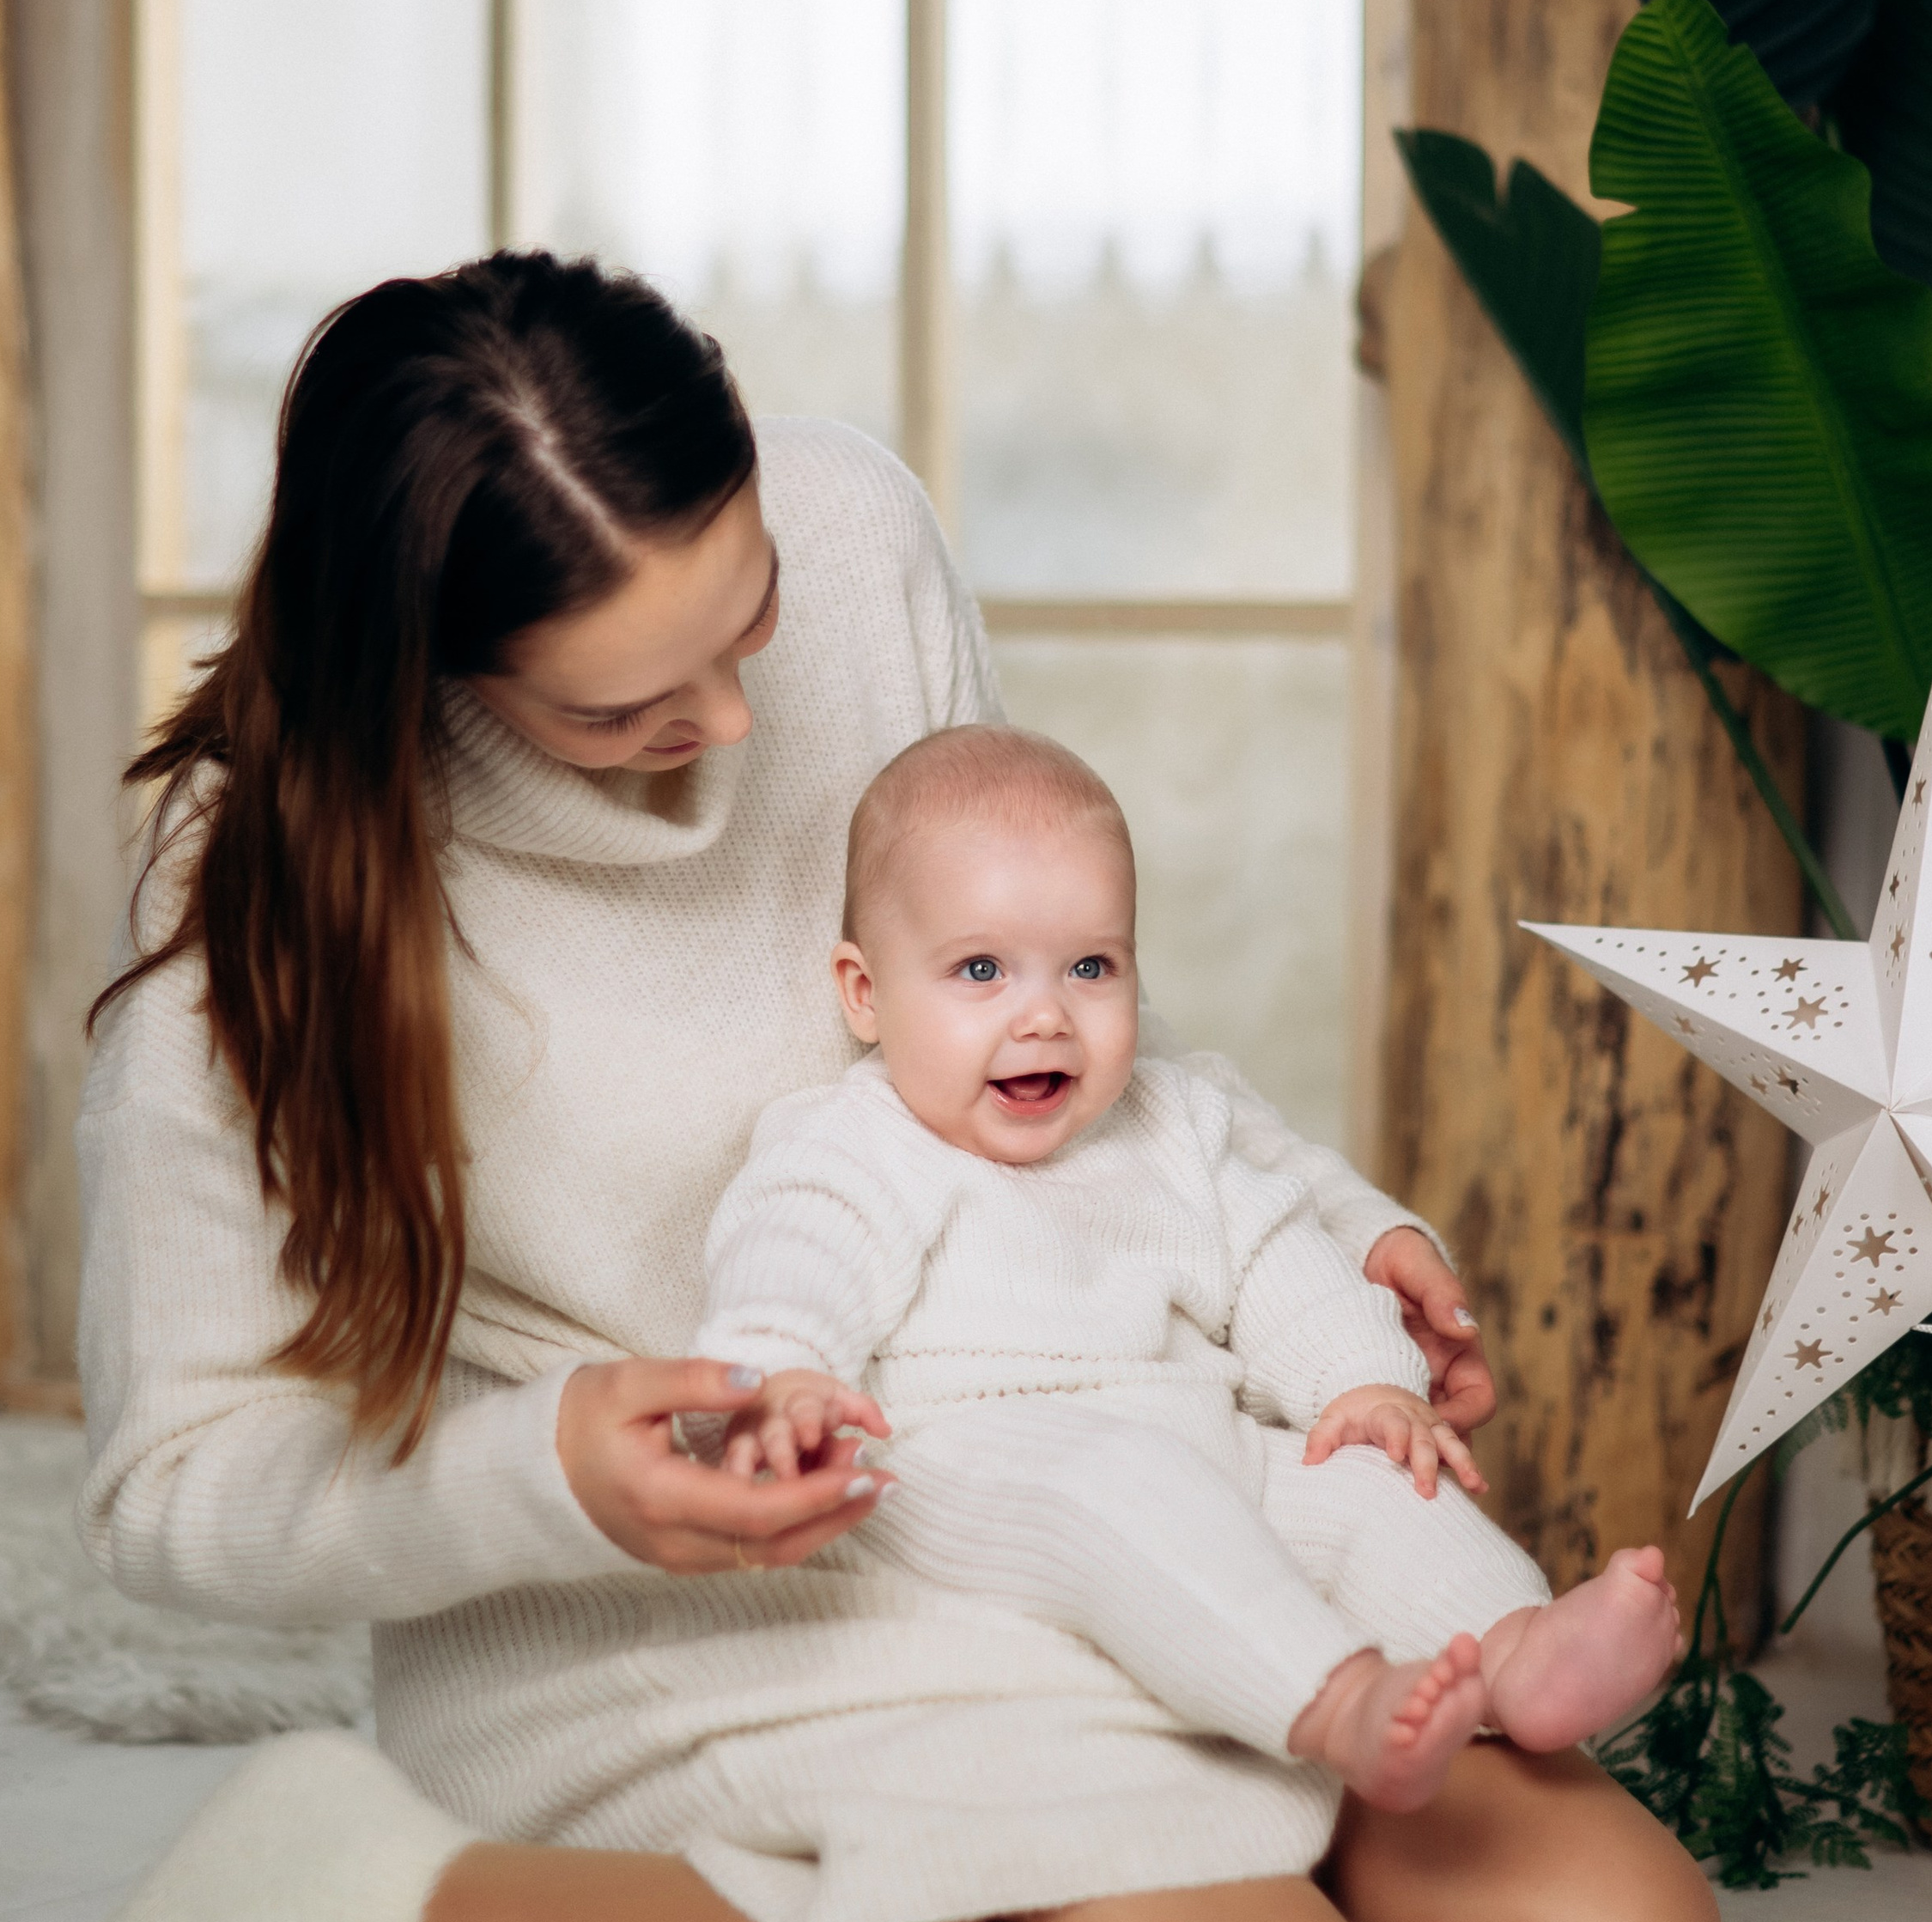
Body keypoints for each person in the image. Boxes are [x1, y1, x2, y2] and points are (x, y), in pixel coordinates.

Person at [38, 252, 1718, 1922]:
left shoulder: (846, 524)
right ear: (427, 667)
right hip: (675, 1609)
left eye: (745, 619)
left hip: (1075, 1463)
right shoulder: (260, 911)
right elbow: (169, 1496)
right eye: (626, 707)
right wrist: (554, 1468)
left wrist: (1326, 1275)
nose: (737, 723)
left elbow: (1012, 991)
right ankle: (384, 1909)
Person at [682, 723, 1685, 1846]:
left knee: (1368, 1488)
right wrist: (777, 1383)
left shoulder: (1171, 1122)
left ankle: (1517, 1653)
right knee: (1121, 1493)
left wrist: (1365, 1384)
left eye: (1091, 966)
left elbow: (1278, 1257)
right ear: (864, 993)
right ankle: (1340, 1698)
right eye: (981, 969)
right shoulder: (856, 1139)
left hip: (1201, 1437)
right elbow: (791, 1258)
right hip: (976, 1470)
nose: (1045, 1013)